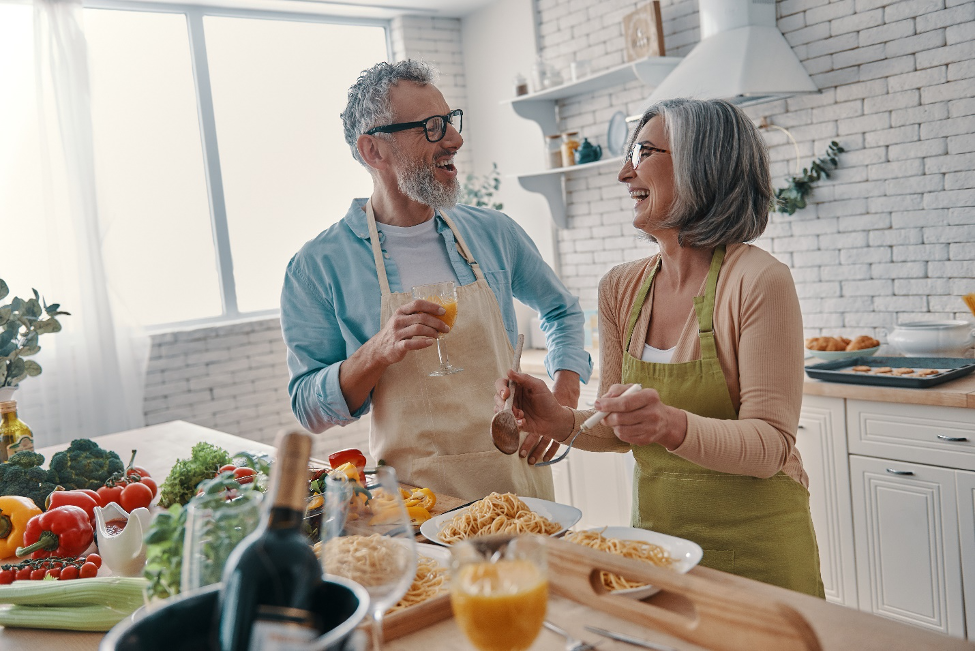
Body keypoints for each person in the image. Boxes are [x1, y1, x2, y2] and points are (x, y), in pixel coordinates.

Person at [497, 98, 824, 597]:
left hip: (759, 554)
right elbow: (621, 430)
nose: (624, 173)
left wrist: (670, 424)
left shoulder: (758, 281)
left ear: (700, 165)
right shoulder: (621, 288)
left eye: (643, 152)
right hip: (656, 550)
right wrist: (558, 421)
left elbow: (769, 446)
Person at [280, 60, 592, 502]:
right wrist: (376, 352)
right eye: (431, 126)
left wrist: (564, 397)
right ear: (374, 151)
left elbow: (560, 310)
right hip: (415, 507)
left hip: (519, 489)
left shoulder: (493, 232)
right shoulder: (316, 267)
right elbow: (309, 409)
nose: (455, 139)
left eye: (450, 120)